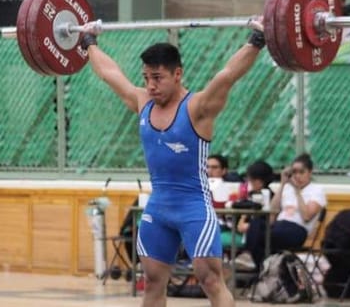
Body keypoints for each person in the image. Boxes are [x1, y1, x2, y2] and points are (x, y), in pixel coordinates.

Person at [79, 17, 266, 307]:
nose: (150, 85)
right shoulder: (142, 102)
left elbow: (227, 75)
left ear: (177, 74)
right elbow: (110, 73)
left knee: (211, 280)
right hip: (159, 208)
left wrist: (258, 38)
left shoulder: (198, 107)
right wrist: (88, 41)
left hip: (194, 207)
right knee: (153, 282)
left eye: (158, 77)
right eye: (146, 78)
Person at [235, 153, 327, 270]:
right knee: (257, 223)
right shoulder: (287, 188)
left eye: (301, 172)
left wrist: (298, 192)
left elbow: (307, 216)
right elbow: (272, 213)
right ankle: (261, 267)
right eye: (294, 172)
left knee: (259, 237)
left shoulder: (316, 190)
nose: (297, 176)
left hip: (297, 229)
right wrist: (283, 184)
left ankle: (255, 262)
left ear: (310, 172)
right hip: (278, 226)